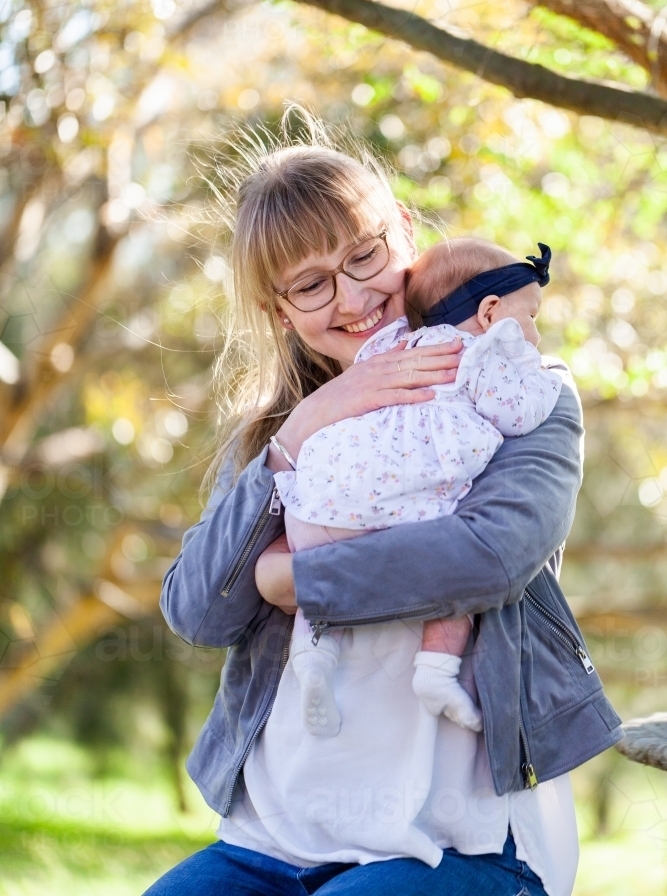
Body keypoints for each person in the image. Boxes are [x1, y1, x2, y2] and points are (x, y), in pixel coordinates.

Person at [148, 111, 623, 896]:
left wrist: (290, 580)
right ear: (280, 311)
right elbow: (197, 610)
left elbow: (489, 558)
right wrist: (300, 431)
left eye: (364, 256)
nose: (353, 297)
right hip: (271, 838)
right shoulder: (274, 437)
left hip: (459, 841)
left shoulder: (521, 394)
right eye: (311, 284)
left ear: (402, 230)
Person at [276, 237, 562, 738]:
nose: (536, 337)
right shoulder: (480, 357)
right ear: (491, 313)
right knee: (449, 564)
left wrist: (274, 578)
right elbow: (516, 416)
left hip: (318, 500)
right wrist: (545, 382)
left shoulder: (388, 351)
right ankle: (436, 671)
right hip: (401, 506)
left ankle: (313, 654)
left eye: (363, 257)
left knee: (315, 550)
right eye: (531, 319)